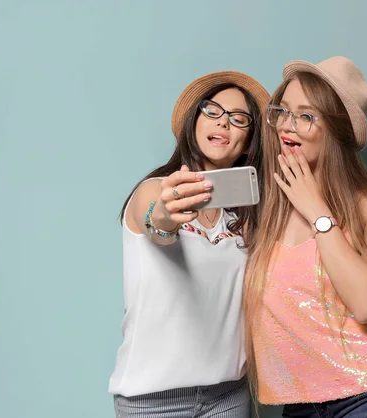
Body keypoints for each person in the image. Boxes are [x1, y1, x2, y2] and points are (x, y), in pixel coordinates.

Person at [243, 56, 367, 417]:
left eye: (307, 116)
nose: (287, 126)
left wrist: (318, 213)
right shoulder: (267, 208)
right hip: (301, 405)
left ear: (337, 133)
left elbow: (366, 303)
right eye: (284, 111)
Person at [109, 71, 270, 417]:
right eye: (212, 110)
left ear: (250, 138)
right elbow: (156, 224)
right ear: (193, 120)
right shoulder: (154, 190)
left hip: (229, 398)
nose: (223, 123)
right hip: (151, 403)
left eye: (239, 119)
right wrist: (167, 213)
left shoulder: (246, 218)